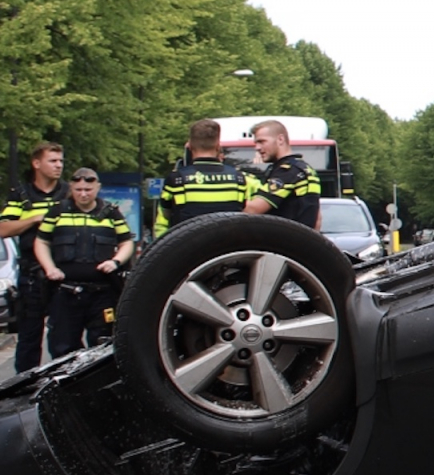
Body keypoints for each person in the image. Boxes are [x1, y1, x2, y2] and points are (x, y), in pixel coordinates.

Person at [32, 168, 133, 361]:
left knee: (103, 345)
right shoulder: (58, 211)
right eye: (78, 189)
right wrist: (49, 268)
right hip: (66, 292)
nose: (83, 194)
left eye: (88, 189)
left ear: (98, 188)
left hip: (102, 293)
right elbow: (41, 241)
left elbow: (126, 242)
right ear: (72, 187)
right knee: (63, 346)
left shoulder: (110, 212)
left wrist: (115, 261)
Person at [1, 142, 67, 371]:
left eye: (60, 161)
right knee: (29, 338)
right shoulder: (21, 195)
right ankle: (24, 393)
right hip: (32, 274)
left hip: (63, 272)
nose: (58, 165)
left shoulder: (69, 193)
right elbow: (3, 229)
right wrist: (34, 219)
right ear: (36, 163)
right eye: (53, 160)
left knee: (63, 340)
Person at [153, 118, 250, 235]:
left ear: (189, 146)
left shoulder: (177, 179)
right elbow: (242, 211)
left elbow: (165, 214)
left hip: (188, 245)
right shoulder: (238, 178)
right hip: (226, 246)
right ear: (218, 146)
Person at [239, 119, 320, 229]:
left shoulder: (287, 171)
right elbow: (318, 217)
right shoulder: (306, 168)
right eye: (256, 143)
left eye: (262, 141)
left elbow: (254, 210)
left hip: (286, 241)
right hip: (303, 240)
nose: (257, 148)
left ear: (280, 139)